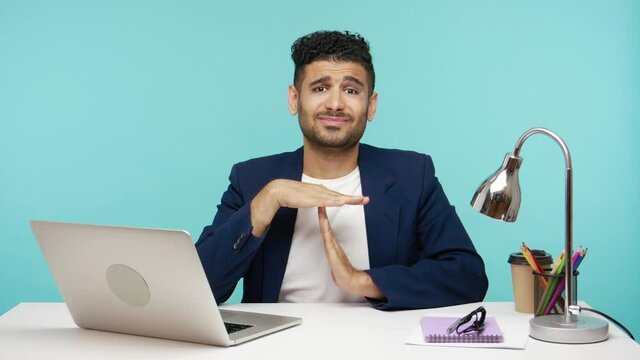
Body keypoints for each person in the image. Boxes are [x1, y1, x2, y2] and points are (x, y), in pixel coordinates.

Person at [196, 30, 488, 310]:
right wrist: (270, 197)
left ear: (371, 106)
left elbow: (468, 277)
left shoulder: (412, 175)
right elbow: (200, 290)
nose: (335, 104)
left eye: (351, 90)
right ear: (294, 99)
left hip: (383, 344)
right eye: (320, 88)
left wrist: (362, 281)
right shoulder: (252, 179)